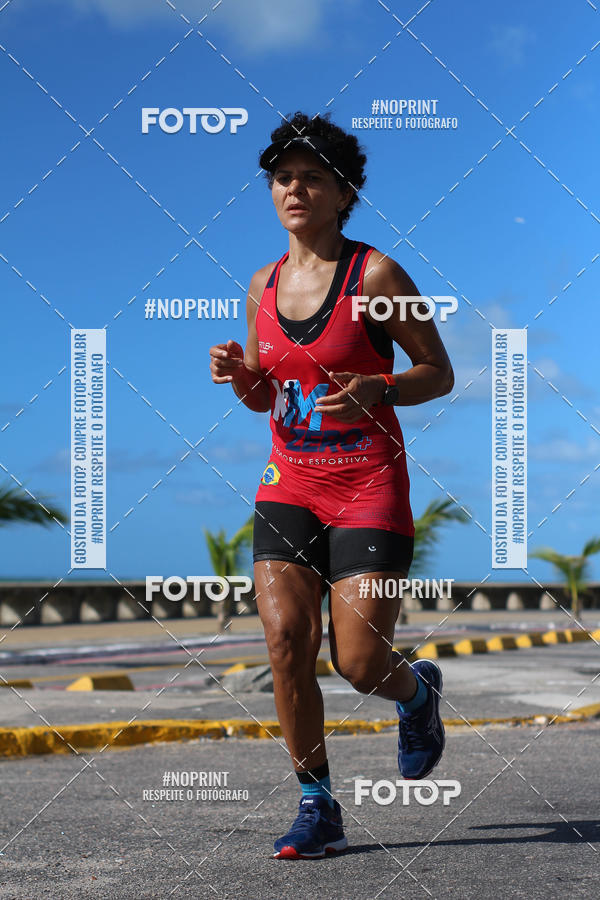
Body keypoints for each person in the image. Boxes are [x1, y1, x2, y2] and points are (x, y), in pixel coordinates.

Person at [209, 111, 454, 860]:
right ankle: (317, 804)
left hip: (368, 486)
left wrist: (382, 388)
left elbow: (438, 373)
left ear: (343, 193)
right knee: (286, 640)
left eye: (312, 178)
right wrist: (241, 375)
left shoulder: (376, 276)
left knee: (359, 664)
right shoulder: (262, 283)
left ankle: (416, 692)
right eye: (282, 178)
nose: (294, 190)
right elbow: (266, 398)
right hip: (289, 484)